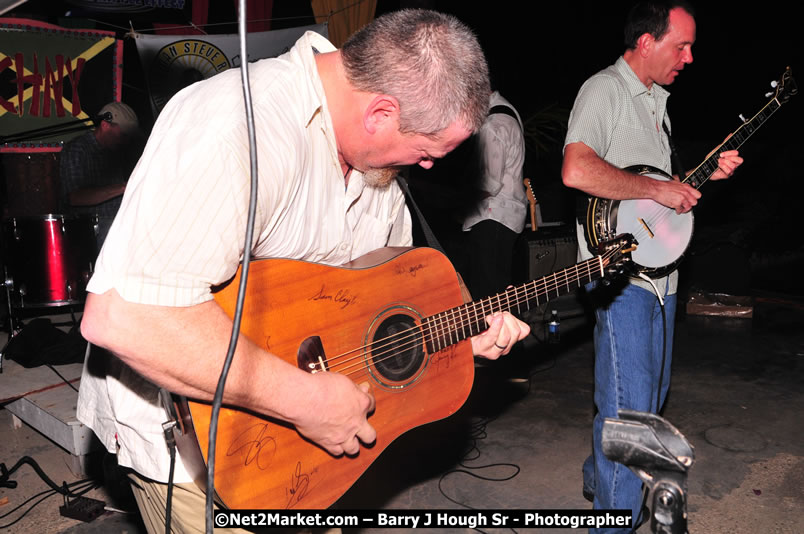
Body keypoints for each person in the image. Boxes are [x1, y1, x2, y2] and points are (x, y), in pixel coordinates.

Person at [76, 9, 531, 532]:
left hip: (313, 451)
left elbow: (374, 311)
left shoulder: (375, 166)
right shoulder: (234, 126)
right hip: (197, 444)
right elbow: (127, 317)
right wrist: (307, 400)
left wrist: (452, 340)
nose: (426, 167)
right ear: (380, 112)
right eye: (427, 152)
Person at [561, 2, 743, 531]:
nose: (689, 57)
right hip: (622, 276)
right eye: (680, 45)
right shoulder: (606, 90)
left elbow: (651, 201)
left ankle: (601, 481)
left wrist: (701, 177)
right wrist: (659, 186)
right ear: (646, 42)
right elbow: (576, 168)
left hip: (662, 277)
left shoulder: (656, 104)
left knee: (645, 398)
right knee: (633, 411)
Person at [462, 91, 528, 299]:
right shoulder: (509, 113)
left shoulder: (493, 125)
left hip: (493, 217)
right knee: (499, 294)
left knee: (486, 298)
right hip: (507, 218)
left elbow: (489, 183)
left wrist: (457, 204)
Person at [58, 101, 143, 247]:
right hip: (90, 233)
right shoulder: (77, 150)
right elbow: (75, 197)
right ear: (104, 125)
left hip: (120, 227)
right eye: (123, 135)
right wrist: (123, 187)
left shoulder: (119, 151)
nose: (126, 140)